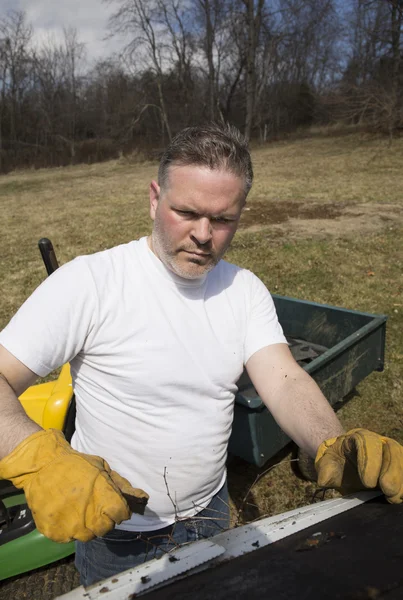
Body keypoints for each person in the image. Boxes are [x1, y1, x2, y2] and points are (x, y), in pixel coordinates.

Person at [0, 123, 402, 586]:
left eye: (224, 219)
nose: (204, 235)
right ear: (154, 198)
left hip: (210, 511)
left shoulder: (244, 290)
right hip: (115, 531)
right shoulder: (88, 284)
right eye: (185, 212)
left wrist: (331, 441)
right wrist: (38, 459)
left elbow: (285, 380)